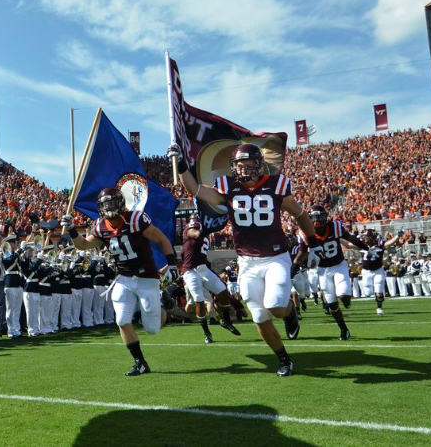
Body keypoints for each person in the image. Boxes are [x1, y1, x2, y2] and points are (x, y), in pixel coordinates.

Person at [169, 142, 321, 377]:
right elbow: (196, 189)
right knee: (259, 317)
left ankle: (289, 312)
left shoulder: (276, 185)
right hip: (247, 261)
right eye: (239, 165)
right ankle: (284, 359)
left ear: (259, 165)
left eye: (248, 164)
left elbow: (299, 214)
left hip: (275, 258)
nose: (243, 169)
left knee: (275, 306)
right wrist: (179, 163)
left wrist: (312, 241)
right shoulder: (227, 187)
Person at [64, 187, 178, 376]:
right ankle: (140, 362)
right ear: (100, 207)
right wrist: (71, 229)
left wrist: (172, 264)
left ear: (121, 203)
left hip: (146, 278)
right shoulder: (100, 225)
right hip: (123, 278)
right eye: (105, 203)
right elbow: (83, 245)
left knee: (152, 329)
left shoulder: (135, 219)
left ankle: (164, 305)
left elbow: (161, 239)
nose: (109, 207)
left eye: (112, 202)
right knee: (122, 319)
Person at [295, 205, 368, 340]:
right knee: (332, 304)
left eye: (320, 218)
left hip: (338, 265)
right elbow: (301, 253)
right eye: (314, 219)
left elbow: (351, 238)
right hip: (322, 270)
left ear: (325, 217)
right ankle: (344, 329)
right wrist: (294, 267)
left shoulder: (335, 226)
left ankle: (347, 301)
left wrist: (366, 248)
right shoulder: (305, 233)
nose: (317, 222)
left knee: (343, 296)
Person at [180, 213, 241, 344]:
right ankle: (207, 332)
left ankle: (225, 321)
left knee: (223, 291)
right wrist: (206, 228)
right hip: (191, 270)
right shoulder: (191, 229)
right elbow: (195, 234)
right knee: (199, 300)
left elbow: (200, 253)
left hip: (203, 268)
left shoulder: (205, 234)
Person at [359, 229, 404, 315]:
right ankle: (376, 298)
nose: (365, 238)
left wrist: (397, 236)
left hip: (377, 270)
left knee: (379, 292)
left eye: (367, 237)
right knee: (368, 293)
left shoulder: (380, 243)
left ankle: (379, 307)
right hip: (366, 271)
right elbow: (351, 245)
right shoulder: (362, 244)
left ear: (372, 237)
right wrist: (340, 239)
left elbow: (389, 243)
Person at [1, 235, 25, 339]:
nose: (16, 245)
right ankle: (11, 331)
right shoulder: (5, 253)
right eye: (14, 243)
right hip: (10, 283)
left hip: (18, 283)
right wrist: (19, 252)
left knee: (17, 309)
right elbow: (9, 261)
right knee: (10, 309)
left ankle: (17, 330)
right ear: (9, 244)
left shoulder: (16, 255)